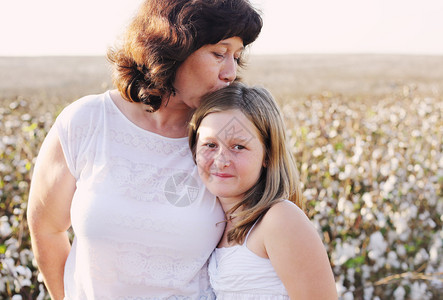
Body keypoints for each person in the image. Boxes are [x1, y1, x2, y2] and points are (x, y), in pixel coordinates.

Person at [26, 1, 262, 299]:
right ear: (172, 47)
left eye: (237, 58)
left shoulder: (227, 141)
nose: (230, 72)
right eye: (219, 53)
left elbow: (266, 234)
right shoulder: (86, 122)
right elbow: (46, 229)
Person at [188, 82, 338, 299]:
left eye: (238, 146)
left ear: (268, 154)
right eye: (210, 145)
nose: (220, 161)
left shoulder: (279, 219)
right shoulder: (215, 221)